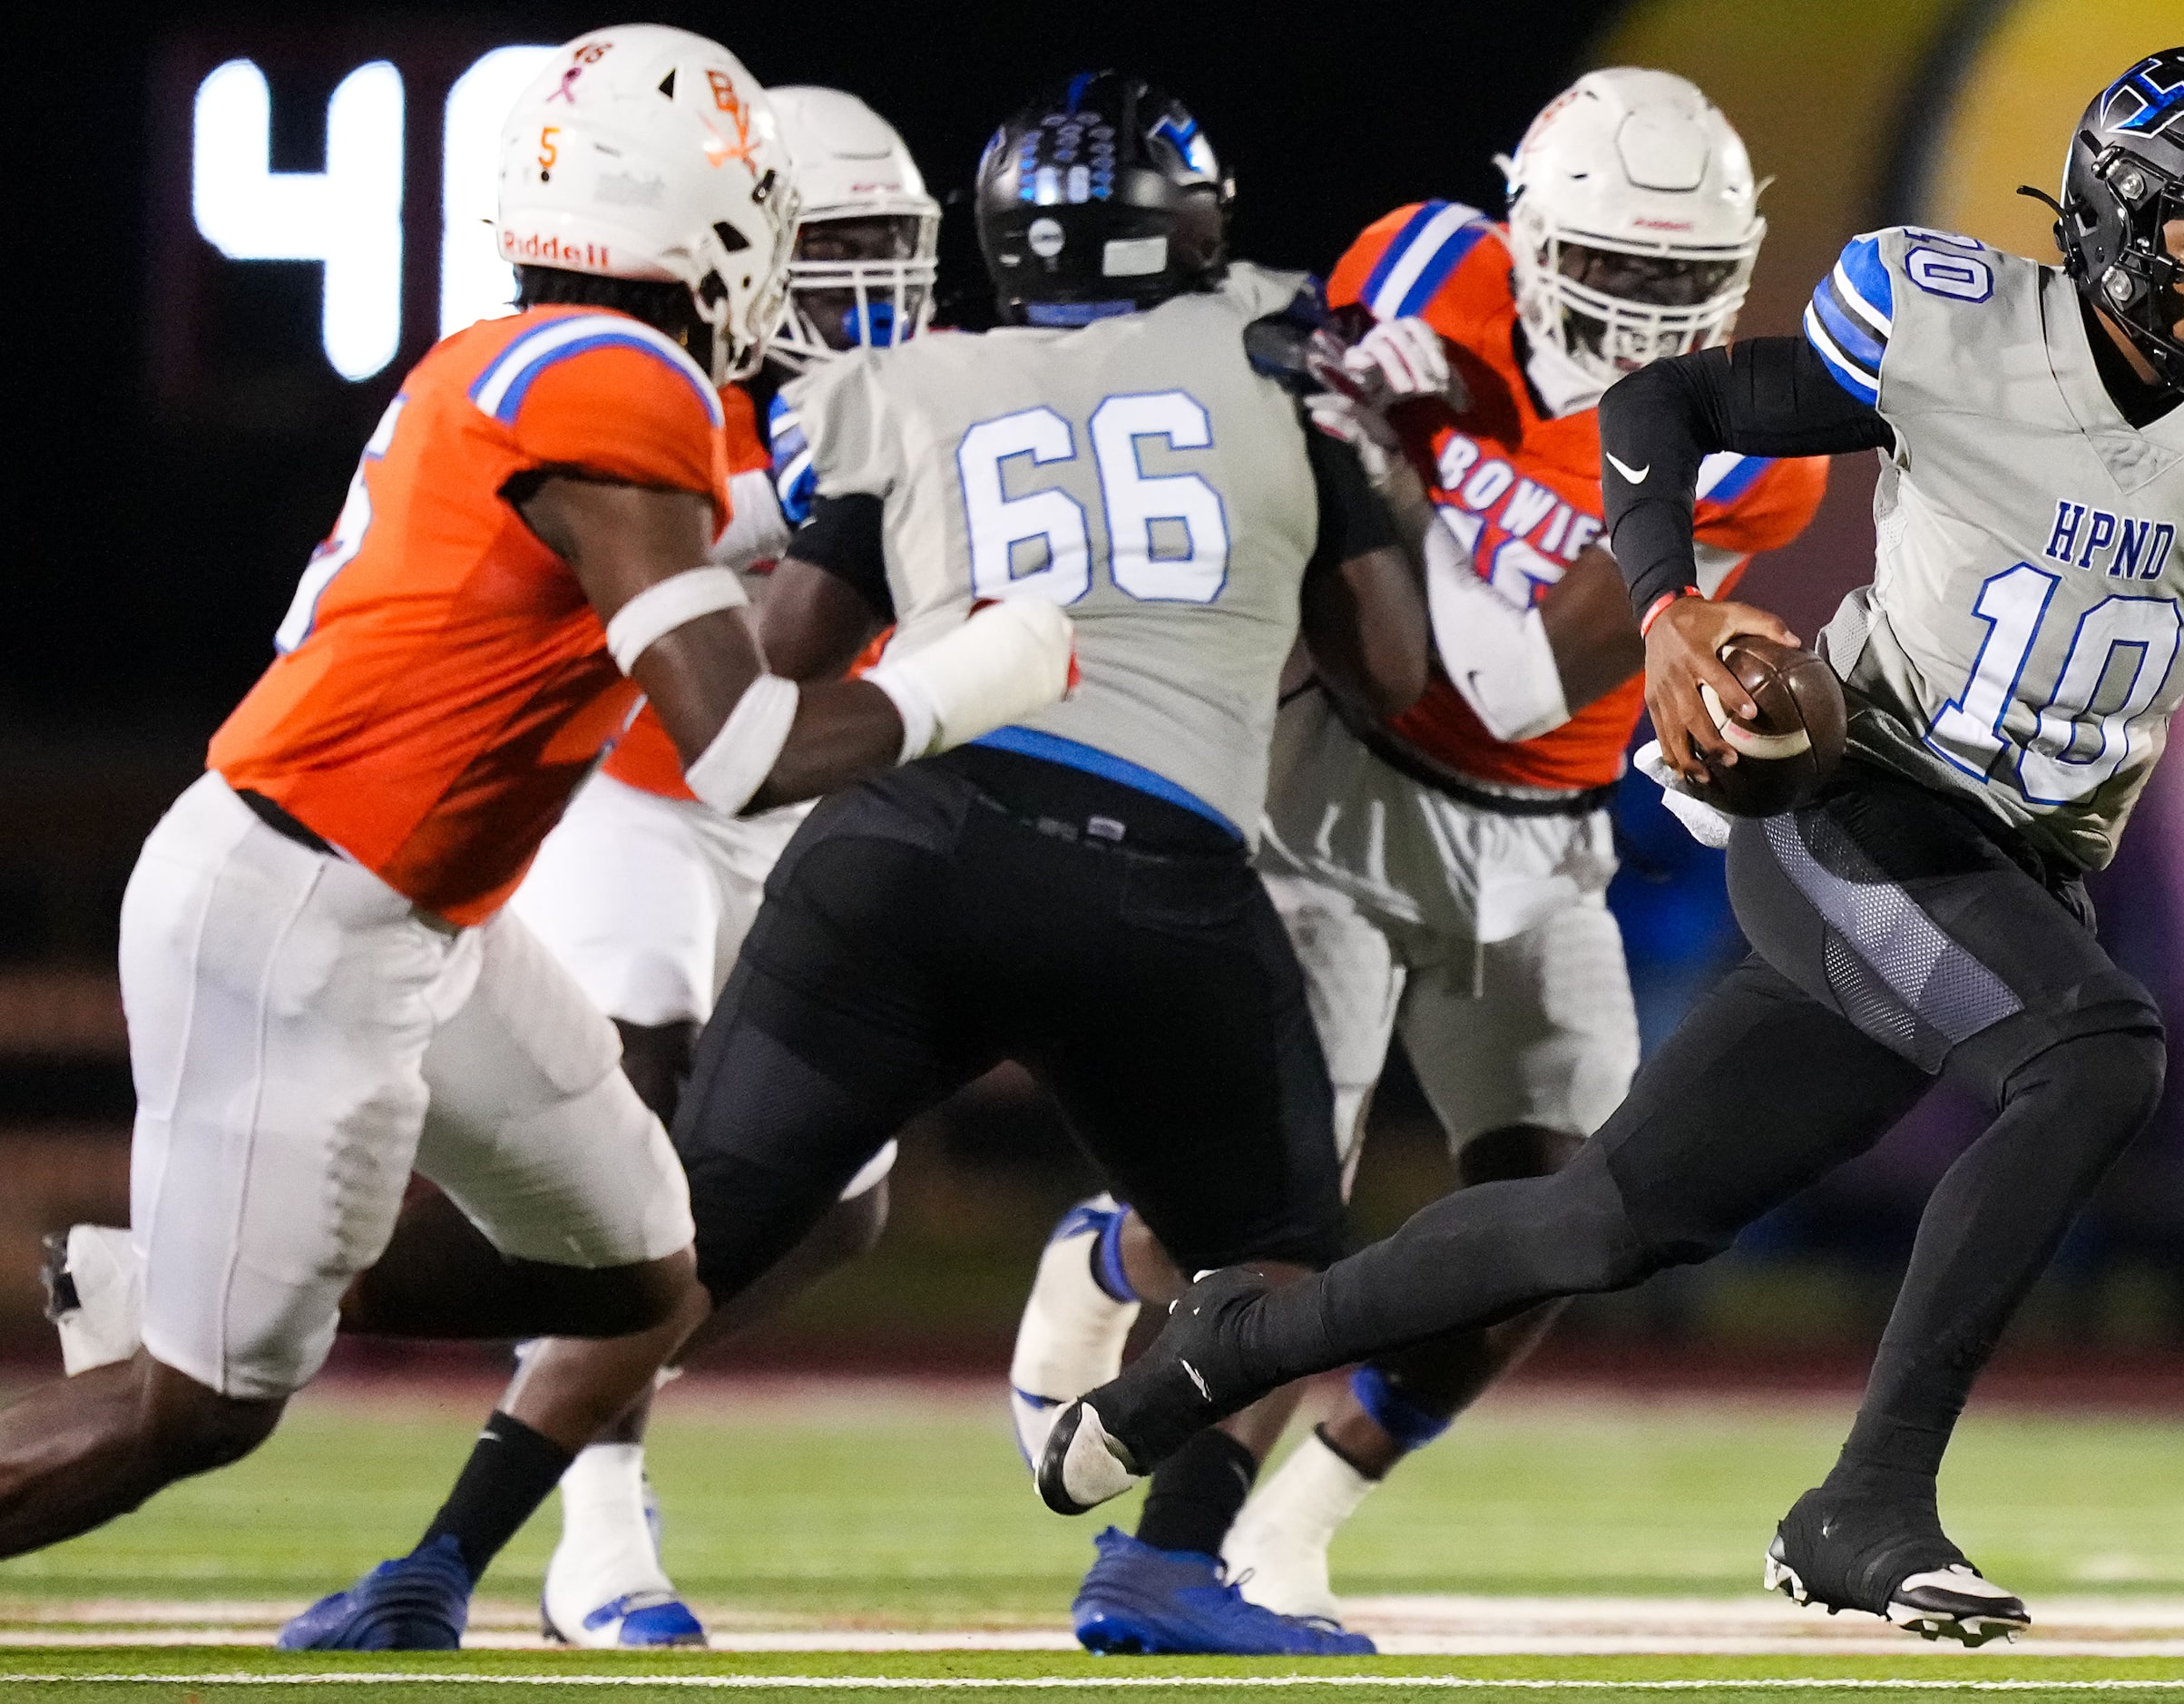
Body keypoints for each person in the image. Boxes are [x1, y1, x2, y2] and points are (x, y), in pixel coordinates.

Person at [1037, 45, 2184, 1650]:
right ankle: (1864, 1503)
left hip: (2017, 866)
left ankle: (1228, 1345)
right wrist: (1668, 599)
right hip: (1859, 798)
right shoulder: (1950, 320)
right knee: (2099, 1052)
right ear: (2114, 214)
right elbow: (1662, 399)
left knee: (1601, 1222)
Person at [278, 69, 1430, 1657]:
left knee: (682, 1235)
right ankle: (1162, 1560)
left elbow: (783, 656)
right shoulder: (1282, 362)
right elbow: (1391, 670)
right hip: (1147, 873)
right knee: (1282, 1255)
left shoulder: (922, 387)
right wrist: (1367, 483)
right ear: (1199, 223)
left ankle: (439, 1559)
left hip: (906, 845)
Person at [1, 24, 1072, 1585]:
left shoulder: (545, 360)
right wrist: (988, 670)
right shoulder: (620, 380)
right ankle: (218, 1307)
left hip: (423, 904)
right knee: (200, 1413)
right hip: (305, 900)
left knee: (645, 1271)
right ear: (701, 221)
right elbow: (737, 742)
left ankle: (205, 1274)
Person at [1002, 68, 1827, 1638]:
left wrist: (1424, 456)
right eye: (1613, 276)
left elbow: (1523, 680)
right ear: (1526, 239)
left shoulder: (1755, 442)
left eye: (1677, 285)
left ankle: (1295, 1523)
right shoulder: (1423, 267)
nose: (1647, 322)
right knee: (1276, 1210)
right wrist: (1373, 447)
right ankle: (1160, 1516)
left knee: (1556, 1224)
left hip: (1537, 829)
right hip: (1337, 784)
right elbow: (1349, 560)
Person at [501, 82, 940, 1650]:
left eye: (889, 252)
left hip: (809, 802)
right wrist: (804, 501)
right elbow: (722, 651)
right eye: (827, 255)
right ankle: (602, 1522)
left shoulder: (930, 391)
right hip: (634, 794)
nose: (863, 296)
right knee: (647, 1111)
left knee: (839, 1202)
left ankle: (572, 1378)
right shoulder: (661, 394)